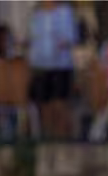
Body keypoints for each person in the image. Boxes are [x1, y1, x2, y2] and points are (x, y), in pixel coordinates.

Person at [27, 0, 79, 139]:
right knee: (43, 103)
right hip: (40, 65)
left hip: (60, 65)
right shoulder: (36, 14)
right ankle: (48, 136)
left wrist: (60, 42)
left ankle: (62, 137)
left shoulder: (65, 13)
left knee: (60, 103)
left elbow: (71, 37)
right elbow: (32, 37)